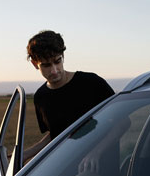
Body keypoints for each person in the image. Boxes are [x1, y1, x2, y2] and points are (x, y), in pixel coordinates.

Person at [23, 30, 115, 164]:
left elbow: (122, 123)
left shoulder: (92, 83)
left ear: (63, 56)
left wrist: (96, 152)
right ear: (34, 64)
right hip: (65, 166)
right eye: (46, 65)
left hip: (100, 166)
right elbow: (56, 134)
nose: (54, 70)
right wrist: (25, 154)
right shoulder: (40, 97)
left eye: (57, 61)